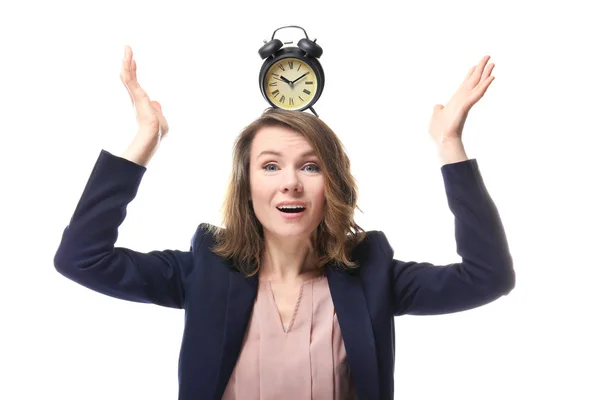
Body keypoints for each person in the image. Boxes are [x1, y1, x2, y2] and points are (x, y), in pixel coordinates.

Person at [54, 45, 515, 400]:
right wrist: (145, 140)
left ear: (331, 183)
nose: (290, 184)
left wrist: (450, 144)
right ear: (247, 184)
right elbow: (82, 258)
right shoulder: (205, 268)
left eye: (310, 167)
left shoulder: (370, 272)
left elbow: (487, 277)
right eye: (270, 166)